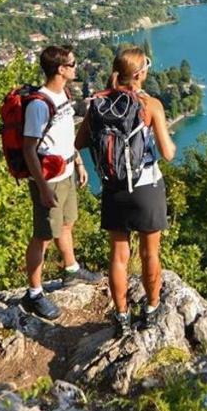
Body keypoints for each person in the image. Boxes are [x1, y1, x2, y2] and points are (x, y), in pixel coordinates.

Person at [75, 47, 176, 335]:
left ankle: (121, 315)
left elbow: (79, 142)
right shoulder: (150, 104)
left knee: (119, 256)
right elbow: (168, 153)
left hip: (113, 187)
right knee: (149, 253)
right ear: (141, 74)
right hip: (146, 188)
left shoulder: (98, 104)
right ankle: (152, 307)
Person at [20, 45, 103, 320]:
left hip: (66, 172)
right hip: (50, 180)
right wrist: (43, 187)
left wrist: (78, 162)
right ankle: (33, 293)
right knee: (42, 236)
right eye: (72, 63)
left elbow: (65, 135)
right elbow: (29, 148)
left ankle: (71, 270)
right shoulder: (39, 104)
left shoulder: (63, 94)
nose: (76, 67)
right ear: (60, 69)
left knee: (67, 223)